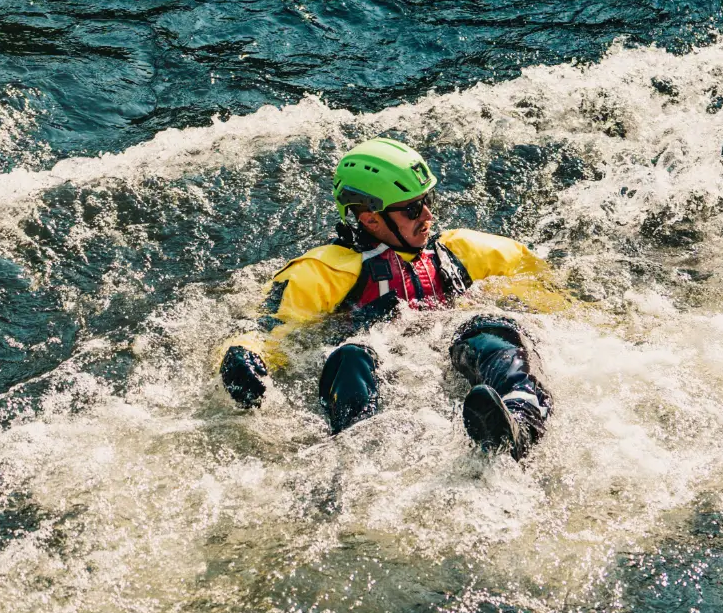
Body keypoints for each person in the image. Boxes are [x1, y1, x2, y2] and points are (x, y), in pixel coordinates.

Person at [216, 137, 557, 457]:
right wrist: (242, 355)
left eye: (428, 201)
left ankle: (520, 420)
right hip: (376, 368)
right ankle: (356, 449)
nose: (428, 216)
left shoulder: (464, 251)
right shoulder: (324, 271)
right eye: (411, 209)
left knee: (490, 329)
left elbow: (554, 293)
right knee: (351, 355)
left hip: (442, 356)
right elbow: (267, 329)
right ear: (370, 219)